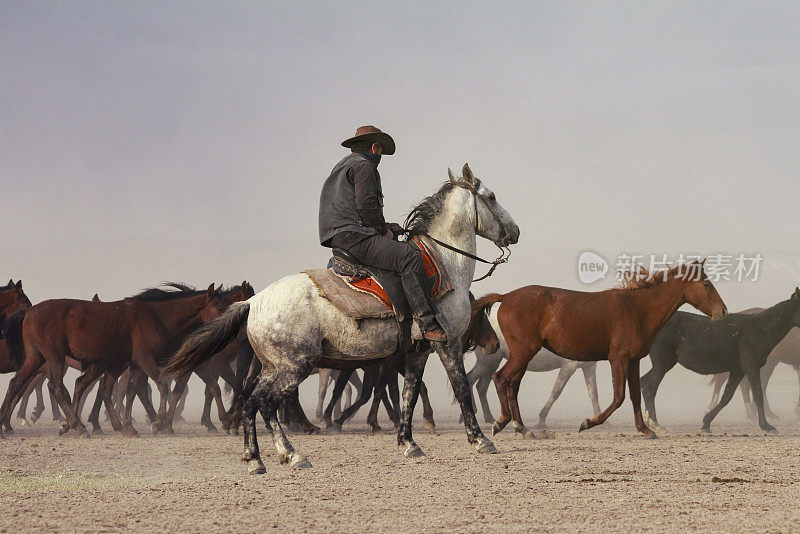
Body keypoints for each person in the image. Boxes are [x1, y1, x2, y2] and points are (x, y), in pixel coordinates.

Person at [318, 125, 447, 342]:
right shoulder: (364, 167)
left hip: (341, 235)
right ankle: (427, 324)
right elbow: (367, 206)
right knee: (410, 257)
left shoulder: (341, 167)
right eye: (380, 152)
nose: (380, 157)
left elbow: (354, 208)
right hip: (356, 237)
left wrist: (387, 226)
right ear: (375, 147)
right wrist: (382, 230)